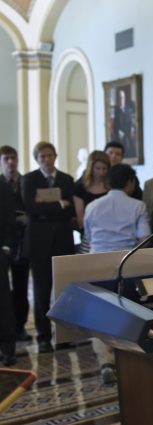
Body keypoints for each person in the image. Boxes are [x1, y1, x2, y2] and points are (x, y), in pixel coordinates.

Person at [84, 164, 151, 385]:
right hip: (125, 264)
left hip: (95, 263)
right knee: (129, 311)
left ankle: (105, 362)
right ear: (130, 183)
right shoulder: (137, 205)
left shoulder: (92, 206)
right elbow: (144, 238)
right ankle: (130, 358)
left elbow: (88, 235)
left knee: (99, 313)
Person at [21, 141, 76, 353]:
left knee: (64, 289)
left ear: (56, 156)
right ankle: (43, 337)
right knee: (41, 291)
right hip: (38, 241)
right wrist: (57, 205)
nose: (46, 159)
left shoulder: (66, 179)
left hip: (62, 238)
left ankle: (64, 335)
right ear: (37, 159)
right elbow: (30, 206)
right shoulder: (29, 179)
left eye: (49, 155)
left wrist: (45, 205)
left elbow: (69, 209)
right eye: (42, 156)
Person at [0, 145, 31, 340]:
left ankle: (20, 326)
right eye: (6, 159)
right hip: (4, 240)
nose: (11, 162)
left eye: (14, 158)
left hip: (23, 240)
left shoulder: (26, 182)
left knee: (21, 286)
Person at [73, 151, 110, 253]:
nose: (101, 172)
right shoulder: (80, 187)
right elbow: (81, 219)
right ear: (91, 168)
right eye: (97, 169)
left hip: (110, 234)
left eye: (104, 169)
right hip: (89, 234)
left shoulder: (111, 186)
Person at [0, 178, 17, 365]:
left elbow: (8, 218)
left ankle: (8, 349)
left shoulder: (1, 185)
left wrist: (6, 247)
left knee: (3, 302)